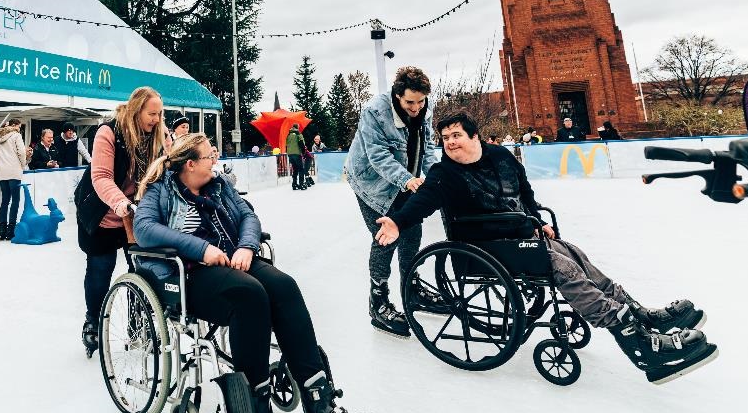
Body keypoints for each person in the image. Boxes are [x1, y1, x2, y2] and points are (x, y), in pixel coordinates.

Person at [374, 113, 718, 384]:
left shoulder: (501, 156)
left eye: (456, 136)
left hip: (520, 233)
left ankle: (638, 314)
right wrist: (397, 222)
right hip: (483, 245)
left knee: (574, 255)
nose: (450, 143)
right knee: (559, 264)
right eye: (445, 138)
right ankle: (637, 342)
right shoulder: (443, 173)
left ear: (474, 136)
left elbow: (525, 194)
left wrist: (537, 219)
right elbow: (422, 202)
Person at [134, 134, 375, 413]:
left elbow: (249, 216)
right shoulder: (161, 190)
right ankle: (253, 409)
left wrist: (247, 246)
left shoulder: (220, 186)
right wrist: (201, 249)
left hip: (236, 259)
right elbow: (144, 228)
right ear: (190, 164)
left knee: (284, 286)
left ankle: (320, 402)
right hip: (191, 273)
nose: (215, 161)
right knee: (249, 295)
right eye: (209, 156)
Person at [344, 66, 439, 338]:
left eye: (421, 101)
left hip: (405, 175)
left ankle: (411, 287)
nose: (416, 107)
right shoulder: (374, 112)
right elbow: (379, 157)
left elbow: (428, 148)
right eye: (410, 102)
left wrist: (436, 178)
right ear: (397, 96)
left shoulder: (424, 107)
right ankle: (378, 301)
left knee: (413, 230)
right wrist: (408, 180)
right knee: (386, 235)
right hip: (370, 181)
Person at [79, 86, 169, 356]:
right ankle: (93, 321)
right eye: (151, 114)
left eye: (159, 114)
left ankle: (138, 323)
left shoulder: (159, 135)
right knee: (100, 270)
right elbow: (102, 177)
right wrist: (121, 203)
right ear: (135, 110)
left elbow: (170, 168)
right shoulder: (109, 132)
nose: (156, 119)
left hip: (137, 217)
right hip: (103, 213)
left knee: (141, 270)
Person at [0, 118, 28, 241]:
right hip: (14, 172)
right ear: (14, 125)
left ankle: (2, 229)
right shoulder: (16, 136)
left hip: (1, 173)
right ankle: (11, 230)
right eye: (19, 127)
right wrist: (22, 165)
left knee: (5, 201)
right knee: (15, 201)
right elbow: (21, 152)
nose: (19, 129)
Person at [285, 124, 308, 190]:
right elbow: (302, 144)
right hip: (297, 154)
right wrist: (304, 152)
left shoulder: (288, 135)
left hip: (290, 154)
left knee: (295, 169)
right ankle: (301, 184)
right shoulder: (298, 134)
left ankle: (294, 184)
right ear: (297, 127)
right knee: (301, 169)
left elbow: (286, 144)